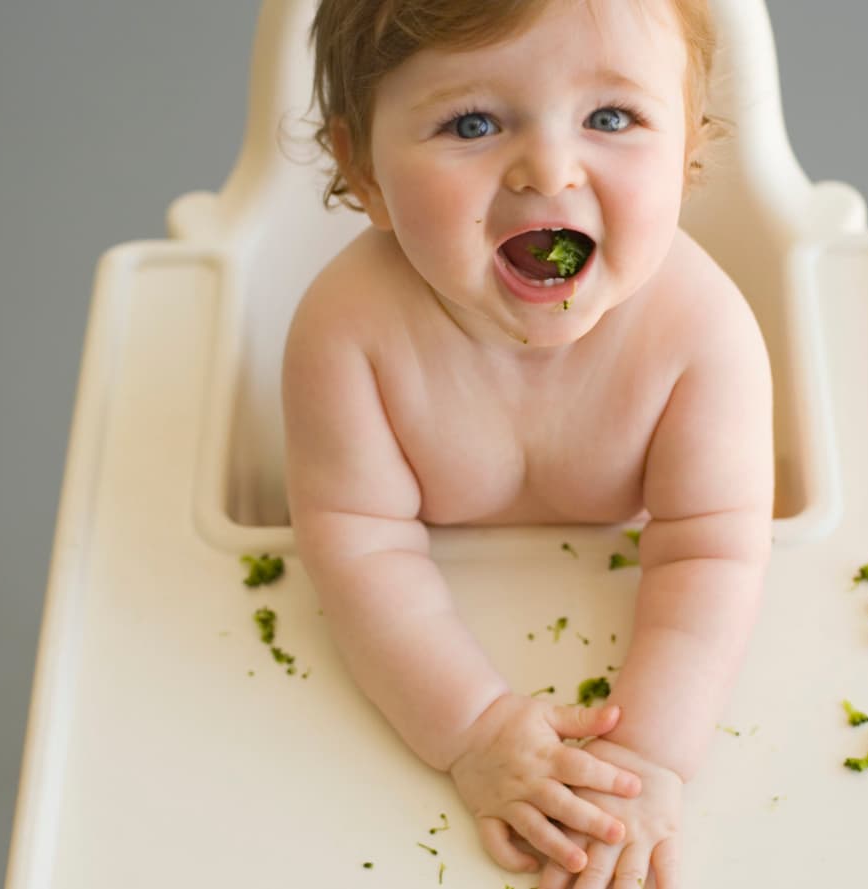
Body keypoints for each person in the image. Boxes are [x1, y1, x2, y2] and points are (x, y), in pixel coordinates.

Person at [282, 1, 773, 885]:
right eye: (472, 122)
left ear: (690, 148)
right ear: (364, 173)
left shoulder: (703, 334)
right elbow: (358, 544)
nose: (549, 168)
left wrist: (649, 759)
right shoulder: (347, 333)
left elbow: (713, 545)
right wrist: (473, 729)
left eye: (611, 117)